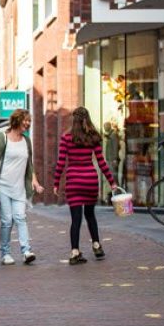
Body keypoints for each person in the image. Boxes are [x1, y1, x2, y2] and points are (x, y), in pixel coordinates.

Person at [53, 107, 118, 265]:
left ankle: (75, 252)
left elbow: (61, 162)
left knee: (76, 219)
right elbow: (101, 162)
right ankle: (96, 245)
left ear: (73, 120)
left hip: (74, 182)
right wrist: (112, 182)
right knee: (90, 215)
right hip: (90, 180)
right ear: (87, 118)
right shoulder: (93, 136)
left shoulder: (66, 138)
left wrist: (56, 183)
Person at [0, 109, 44, 265]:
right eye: (26, 120)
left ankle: (26, 251)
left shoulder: (26, 141)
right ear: (17, 120)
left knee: (21, 217)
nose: (28, 123)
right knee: (7, 221)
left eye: (29, 121)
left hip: (19, 187)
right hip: (3, 186)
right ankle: (6, 253)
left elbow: (29, 164)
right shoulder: (3, 138)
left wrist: (34, 181)